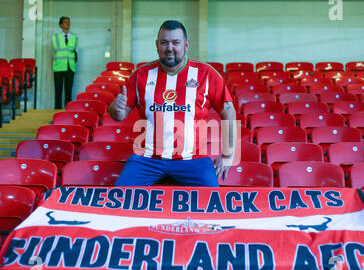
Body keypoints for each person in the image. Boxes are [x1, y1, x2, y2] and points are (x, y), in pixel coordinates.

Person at [109, 20, 237, 187]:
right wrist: (115, 109)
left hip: (194, 159)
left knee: (211, 203)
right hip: (147, 159)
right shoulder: (141, 75)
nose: (170, 48)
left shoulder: (206, 74)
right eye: (164, 43)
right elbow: (119, 114)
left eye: (176, 42)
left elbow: (229, 112)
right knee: (121, 197)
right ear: (157, 45)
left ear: (186, 45)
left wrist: (228, 156)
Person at [51, 16, 79, 109]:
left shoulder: (74, 38)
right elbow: (52, 53)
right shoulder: (55, 37)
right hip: (58, 67)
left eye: (69, 22)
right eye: (66, 22)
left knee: (68, 92)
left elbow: (75, 52)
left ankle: (68, 112)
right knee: (58, 92)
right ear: (61, 25)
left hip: (70, 67)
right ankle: (56, 112)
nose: (68, 24)